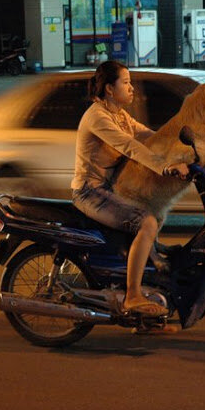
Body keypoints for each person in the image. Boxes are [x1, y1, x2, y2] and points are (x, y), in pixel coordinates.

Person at [71, 60, 189, 317]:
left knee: (153, 215)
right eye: (125, 82)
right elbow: (130, 146)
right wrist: (165, 167)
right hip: (90, 192)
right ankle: (133, 296)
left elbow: (149, 136)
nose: (131, 87)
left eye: (131, 82)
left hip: (109, 190)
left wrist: (183, 149)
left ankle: (145, 313)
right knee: (146, 223)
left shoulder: (120, 115)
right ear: (110, 89)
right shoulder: (98, 117)